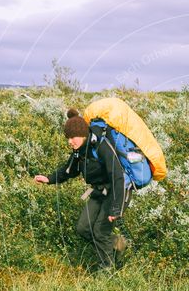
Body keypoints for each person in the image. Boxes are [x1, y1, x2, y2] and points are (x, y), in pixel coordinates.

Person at [34, 108, 131, 272]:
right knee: (83, 228)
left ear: (83, 134)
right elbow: (68, 170)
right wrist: (49, 179)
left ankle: (107, 270)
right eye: (68, 138)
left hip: (117, 191)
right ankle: (118, 243)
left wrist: (116, 207)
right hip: (98, 192)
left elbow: (118, 177)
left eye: (72, 137)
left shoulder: (101, 146)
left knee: (100, 231)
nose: (69, 141)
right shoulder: (79, 151)